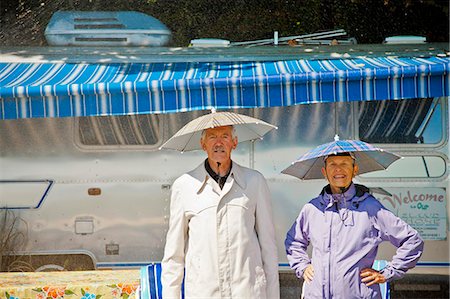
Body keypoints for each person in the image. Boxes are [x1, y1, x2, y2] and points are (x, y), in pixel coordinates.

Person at [161, 125, 280, 299]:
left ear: (234, 142)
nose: (218, 143)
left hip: (247, 292)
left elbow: (268, 248)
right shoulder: (185, 185)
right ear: (203, 144)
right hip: (203, 293)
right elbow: (174, 256)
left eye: (225, 136)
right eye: (211, 137)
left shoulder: (255, 181)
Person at [285, 152, 424, 299]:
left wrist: (388, 272)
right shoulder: (312, 208)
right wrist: (302, 266)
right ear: (324, 172)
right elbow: (293, 241)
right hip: (316, 295)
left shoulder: (370, 207)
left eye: (344, 164)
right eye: (332, 164)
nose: (338, 169)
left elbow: (412, 240)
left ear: (355, 169)